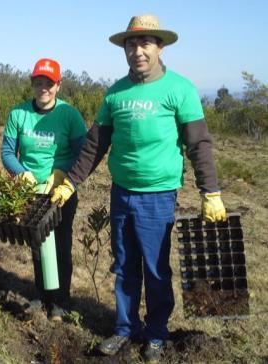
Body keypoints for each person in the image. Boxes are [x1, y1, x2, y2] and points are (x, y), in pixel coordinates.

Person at [51, 14, 227, 362]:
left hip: (158, 196)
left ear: (160, 47)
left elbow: (199, 145)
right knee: (124, 265)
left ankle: (157, 334)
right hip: (121, 193)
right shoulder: (116, 93)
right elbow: (94, 144)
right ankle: (124, 328)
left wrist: (211, 191)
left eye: (145, 42)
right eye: (131, 43)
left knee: (156, 267)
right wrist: (70, 182)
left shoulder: (180, 89)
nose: (138, 50)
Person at [1, 58, 87, 321]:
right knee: (37, 245)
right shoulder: (18, 114)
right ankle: (40, 295)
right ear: (32, 84)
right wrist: (21, 172)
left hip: (60, 192)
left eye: (49, 83)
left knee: (61, 245)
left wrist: (62, 175)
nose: (44, 88)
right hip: (31, 193)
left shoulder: (69, 115)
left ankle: (61, 301)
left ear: (58, 85)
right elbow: (6, 152)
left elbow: (82, 153)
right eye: (39, 82)